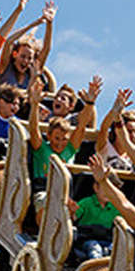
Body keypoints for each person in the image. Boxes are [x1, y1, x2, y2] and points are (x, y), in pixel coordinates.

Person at [29, 72, 98, 220]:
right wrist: (34, 104)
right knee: (45, 203)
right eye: (56, 138)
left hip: (64, 192)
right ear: (49, 137)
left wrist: (90, 103)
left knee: (74, 208)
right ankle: (43, 234)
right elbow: (34, 129)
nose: (60, 143)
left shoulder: (69, 149)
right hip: (44, 191)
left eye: (63, 139)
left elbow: (81, 127)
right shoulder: (42, 148)